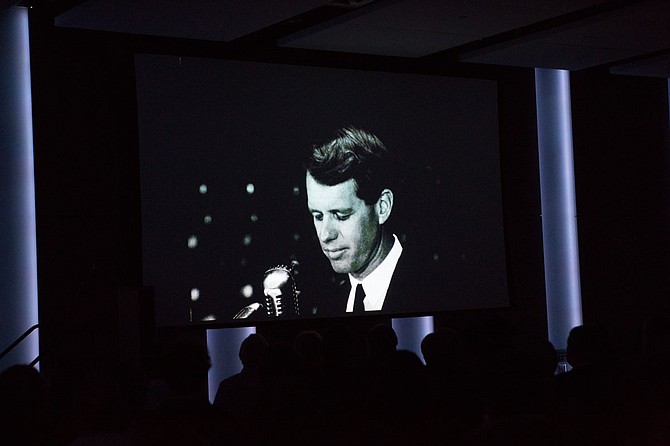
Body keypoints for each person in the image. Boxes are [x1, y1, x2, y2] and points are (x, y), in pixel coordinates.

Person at [305, 127, 423, 315]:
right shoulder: (327, 303)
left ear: (382, 207)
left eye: (341, 215)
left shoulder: (436, 290)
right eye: (318, 216)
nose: (325, 235)